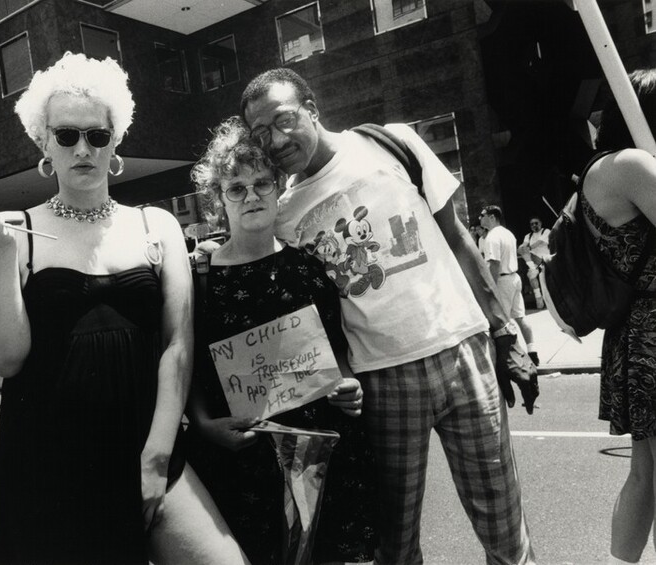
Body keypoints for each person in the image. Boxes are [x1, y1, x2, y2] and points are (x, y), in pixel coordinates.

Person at [0, 52, 249, 565]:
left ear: (115, 143)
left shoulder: (157, 226)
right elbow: (4, 359)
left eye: (97, 135)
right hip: (47, 464)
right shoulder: (10, 233)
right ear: (44, 142)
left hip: (146, 447)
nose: (82, 148)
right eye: (66, 136)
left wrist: (156, 459)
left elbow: (178, 346)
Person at [241, 67, 537, 565]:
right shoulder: (285, 214)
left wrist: (504, 329)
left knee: (506, 529)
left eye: (284, 119)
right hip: (381, 383)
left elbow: (460, 239)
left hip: (464, 350)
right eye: (260, 133)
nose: (276, 138)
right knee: (394, 546)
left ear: (312, 110)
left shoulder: (391, 143)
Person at [186, 116, 378, 565]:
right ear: (219, 199)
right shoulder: (200, 278)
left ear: (278, 187)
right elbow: (187, 361)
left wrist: (348, 386)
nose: (251, 195)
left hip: (322, 452)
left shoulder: (310, 267)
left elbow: (336, 352)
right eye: (236, 188)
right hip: (245, 458)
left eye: (262, 183)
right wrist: (203, 423)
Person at [582, 69, 656, 565]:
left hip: (637, 333)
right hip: (652, 332)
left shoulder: (602, 167)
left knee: (646, 472)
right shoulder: (631, 164)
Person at [480, 205, 540, 366]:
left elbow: (494, 264)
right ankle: (532, 352)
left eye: (483, 215)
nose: (480, 218)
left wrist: (490, 287)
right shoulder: (508, 234)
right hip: (514, 278)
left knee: (503, 323)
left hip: (502, 281)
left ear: (492, 217)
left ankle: (514, 358)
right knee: (520, 317)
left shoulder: (492, 237)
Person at [517, 216, 551, 309]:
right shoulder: (528, 236)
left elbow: (539, 243)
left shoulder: (546, 231)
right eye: (532, 224)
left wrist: (528, 248)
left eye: (536, 223)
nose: (534, 225)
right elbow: (524, 245)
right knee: (531, 275)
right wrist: (521, 248)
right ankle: (538, 297)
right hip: (534, 262)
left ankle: (532, 268)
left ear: (540, 223)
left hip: (546, 259)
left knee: (531, 268)